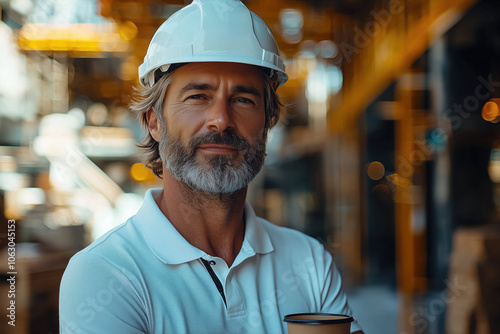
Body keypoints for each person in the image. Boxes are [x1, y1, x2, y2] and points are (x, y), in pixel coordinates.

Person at [59, 0, 364, 333]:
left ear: (267, 124)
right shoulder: (104, 274)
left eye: (243, 99)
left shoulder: (310, 262)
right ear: (154, 123)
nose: (221, 119)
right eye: (198, 96)